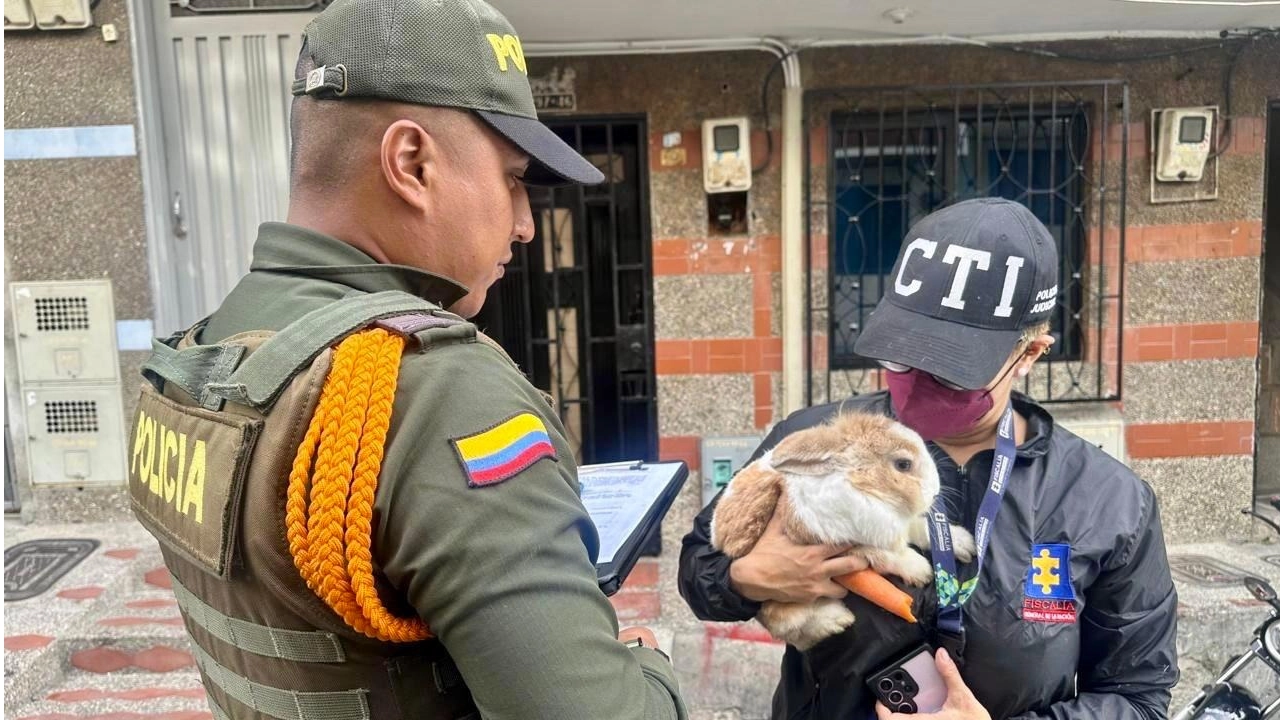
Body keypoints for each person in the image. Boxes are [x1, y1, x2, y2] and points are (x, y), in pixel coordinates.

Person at [127, 1, 686, 718]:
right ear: (411, 162)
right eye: (514, 178)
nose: (523, 224)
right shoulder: (435, 390)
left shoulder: (204, 353)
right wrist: (650, 670)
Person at [679, 198, 1178, 719]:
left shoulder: (1109, 502)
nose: (916, 380)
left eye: (951, 368)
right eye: (902, 352)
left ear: (1029, 354)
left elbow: (1139, 698)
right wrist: (745, 579)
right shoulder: (814, 441)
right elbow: (698, 569)